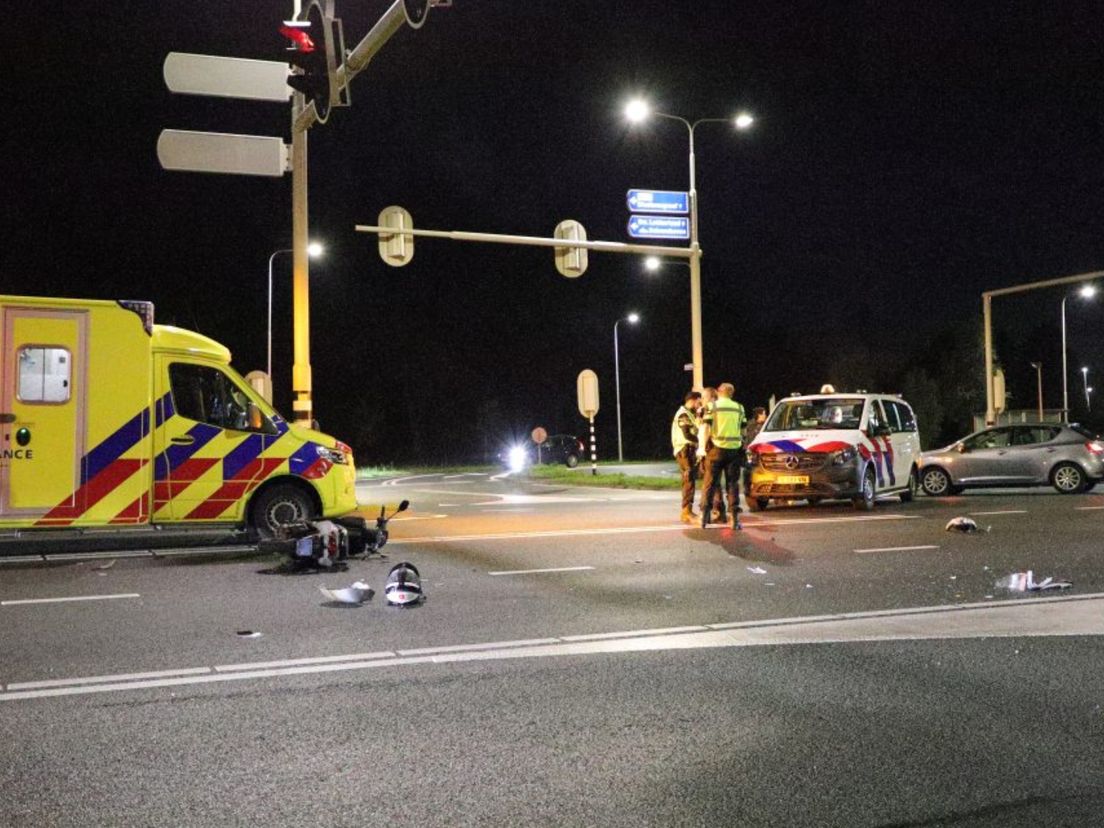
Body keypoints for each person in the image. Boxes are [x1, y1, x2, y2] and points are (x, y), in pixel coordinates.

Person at [697, 383, 747, 529]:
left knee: (710, 483)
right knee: (732, 484)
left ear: (718, 392)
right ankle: (735, 520)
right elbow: (743, 431)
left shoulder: (712, 407)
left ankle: (704, 517)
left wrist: (701, 448)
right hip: (734, 451)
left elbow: (705, 428)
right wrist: (741, 446)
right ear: (732, 393)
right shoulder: (739, 408)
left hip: (716, 450)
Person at [671, 391, 702, 523]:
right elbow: (687, 435)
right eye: (698, 401)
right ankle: (686, 512)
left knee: (690, 480)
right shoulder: (683, 414)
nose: (699, 404)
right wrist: (700, 441)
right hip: (684, 450)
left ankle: (687, 510)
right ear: (693, 400)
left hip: (687, 450)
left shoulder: (689, 414)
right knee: (688, 480)